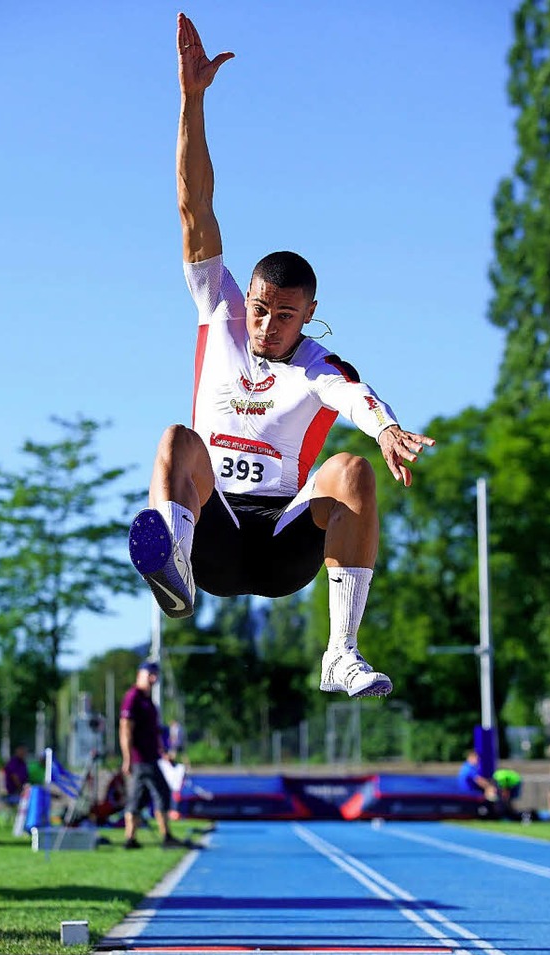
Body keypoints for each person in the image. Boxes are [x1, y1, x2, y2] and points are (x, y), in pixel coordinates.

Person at [128, 12, 435, 701]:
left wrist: (385, 428)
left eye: (284, 314)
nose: (266, 323)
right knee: (176, 440)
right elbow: (192, 205)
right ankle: (171, 564)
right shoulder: (220, 309)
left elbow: (355, 398)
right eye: (261, 307)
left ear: (309, 314)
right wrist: (192, 100)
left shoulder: (317, 365)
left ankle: (342, 652)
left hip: (282, 542)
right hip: (216, 528)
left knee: (352, 468)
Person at [119, 661, 194, 849]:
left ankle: (131, 839)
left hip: (151, 756)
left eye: (155, 675)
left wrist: (163, 752)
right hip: (141, 759)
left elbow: (154, 732)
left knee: (137, 797)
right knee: (161, 792)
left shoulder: (148, 701)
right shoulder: (133, 698)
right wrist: (127, 758)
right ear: (140, 674)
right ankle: (165, 836)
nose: (153, 678)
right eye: (150, 674)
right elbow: (125, 730)